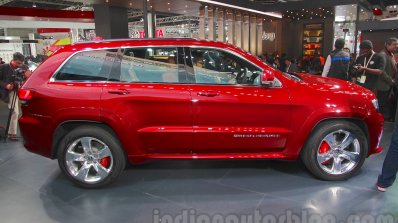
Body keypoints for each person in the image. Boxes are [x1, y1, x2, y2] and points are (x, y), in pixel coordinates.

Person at [0, 52, 32, 141]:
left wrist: (28, 77)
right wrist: (6, 85)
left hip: (21, 91)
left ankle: (24, 132)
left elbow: (29, 79)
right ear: (13, 60)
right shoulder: (4, 67)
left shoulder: (24, 67)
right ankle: (12, 133)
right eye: (18, 63)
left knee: (23, 112)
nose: (20, 65)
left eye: (21, 63)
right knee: (15, 112)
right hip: (11, 91)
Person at [376, 37, 398, 121]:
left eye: (397, 44)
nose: (396, 46)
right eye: (394, 44)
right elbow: (381, 71)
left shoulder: (390, 54)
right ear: (387, 45)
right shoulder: (382, 55)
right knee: (381, 104)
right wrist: (391, 81)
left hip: (389, 85)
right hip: (383, 85)